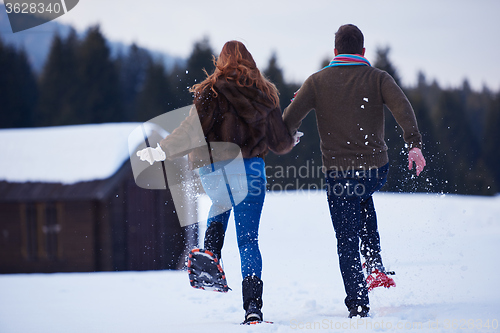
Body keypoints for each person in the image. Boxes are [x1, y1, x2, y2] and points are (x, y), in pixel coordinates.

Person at [143, 40, 296, 323]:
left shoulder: (210, 92)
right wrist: (291, 139)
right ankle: (253, 308)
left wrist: (160, 150)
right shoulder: (265, 94)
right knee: (249, 240)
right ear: (250, 60)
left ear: (220, 61)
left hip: (215, 170)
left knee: (221, 199)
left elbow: (190, 131)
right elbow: (279, 141)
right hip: (250, 171)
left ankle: (211, 250)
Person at [282, 24, 426, 318]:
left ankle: (358, 302)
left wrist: (290, 135)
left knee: (346, 237)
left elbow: (288, 118)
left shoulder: (316, 82)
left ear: (335, 51)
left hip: (338, 173)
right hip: (376, 169)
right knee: (361, 195)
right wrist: (413, 144)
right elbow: (402, 107)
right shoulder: (378, 78)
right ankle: (374, 264)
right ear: (362, 51)